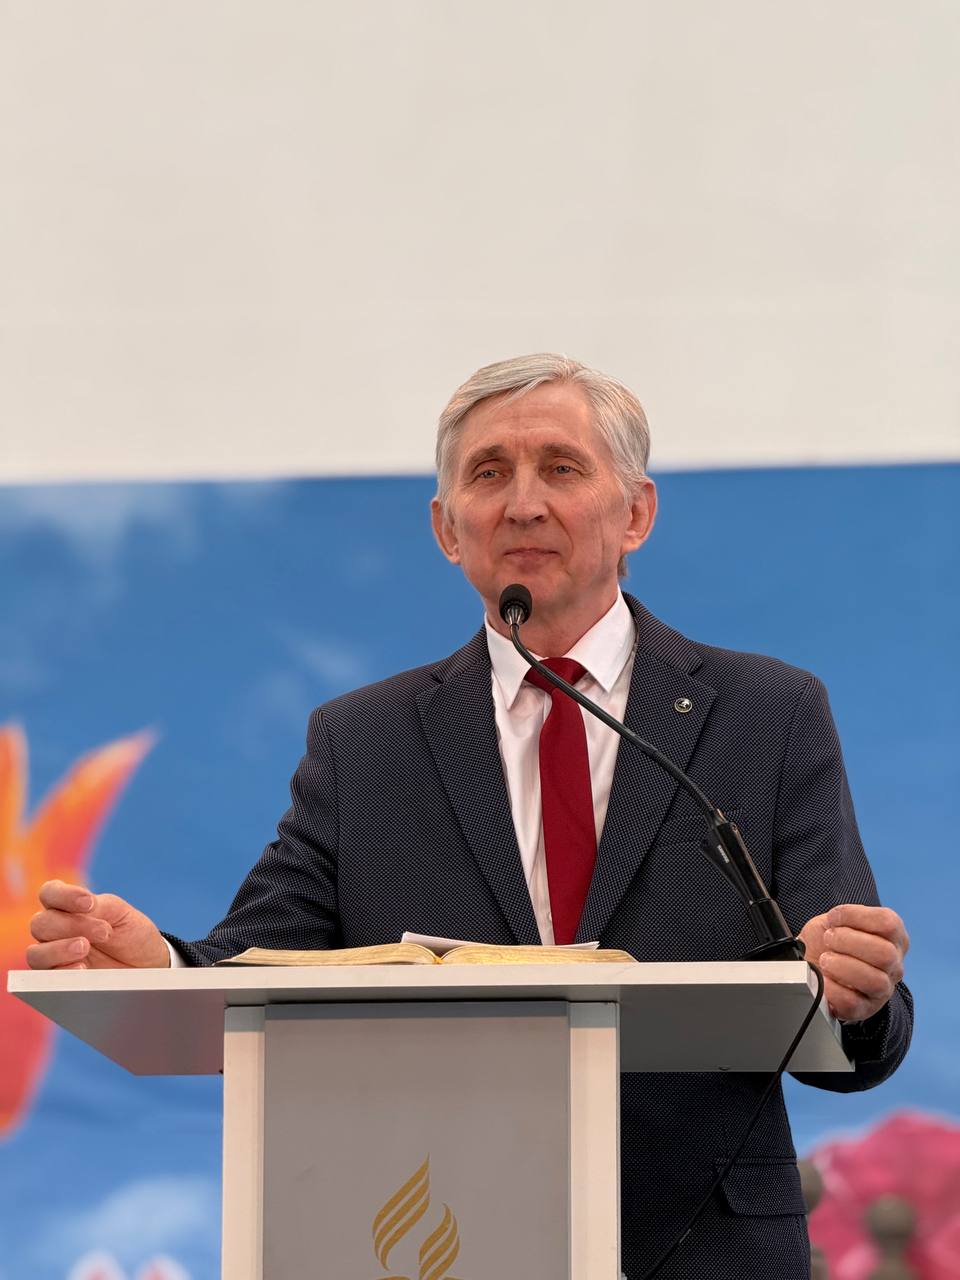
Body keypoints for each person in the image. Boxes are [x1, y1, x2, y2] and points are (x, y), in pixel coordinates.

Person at [28, 354, 911, 1278]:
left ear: (636, 514)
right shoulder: (364, 741)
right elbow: (254, 962)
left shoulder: (767, 713)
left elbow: (860, 1024)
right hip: (442, 1237)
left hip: (709, 1248)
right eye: (489, 474)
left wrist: (858, 987)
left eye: (561, 468)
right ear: (447, 528)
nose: (523, 504)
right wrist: (159, 971)